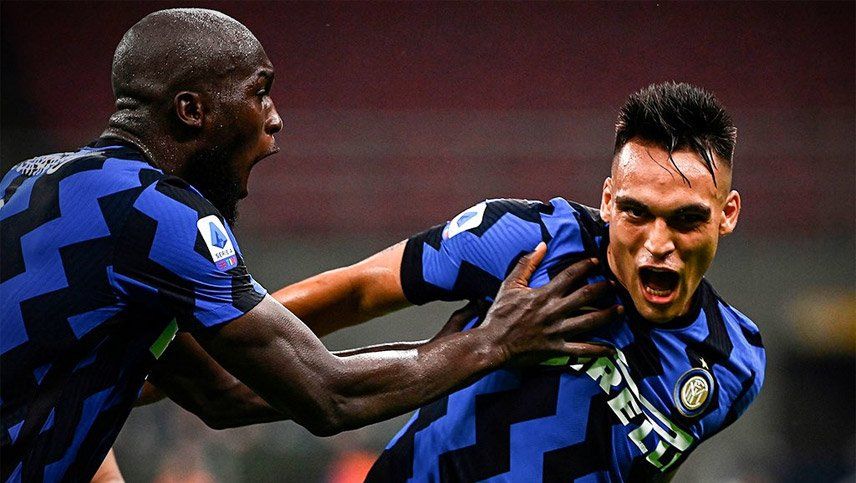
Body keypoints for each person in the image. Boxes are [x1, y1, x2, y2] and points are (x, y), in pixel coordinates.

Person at [0, 9, 619, 482]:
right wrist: (493, 343)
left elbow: (218, 394)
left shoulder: (24, 182)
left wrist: (447, 354)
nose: (274, 118)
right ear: (192, 111)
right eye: (259, 92)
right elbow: (329, 395)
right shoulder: (160, 215)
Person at [272, 82, 767, 481]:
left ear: (727, 214)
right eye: (636, 212)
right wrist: (233, 328)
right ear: (608, 201)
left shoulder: (735, 364)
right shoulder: (527, 239)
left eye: (686, 219)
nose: (658, 242)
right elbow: (359, 288)